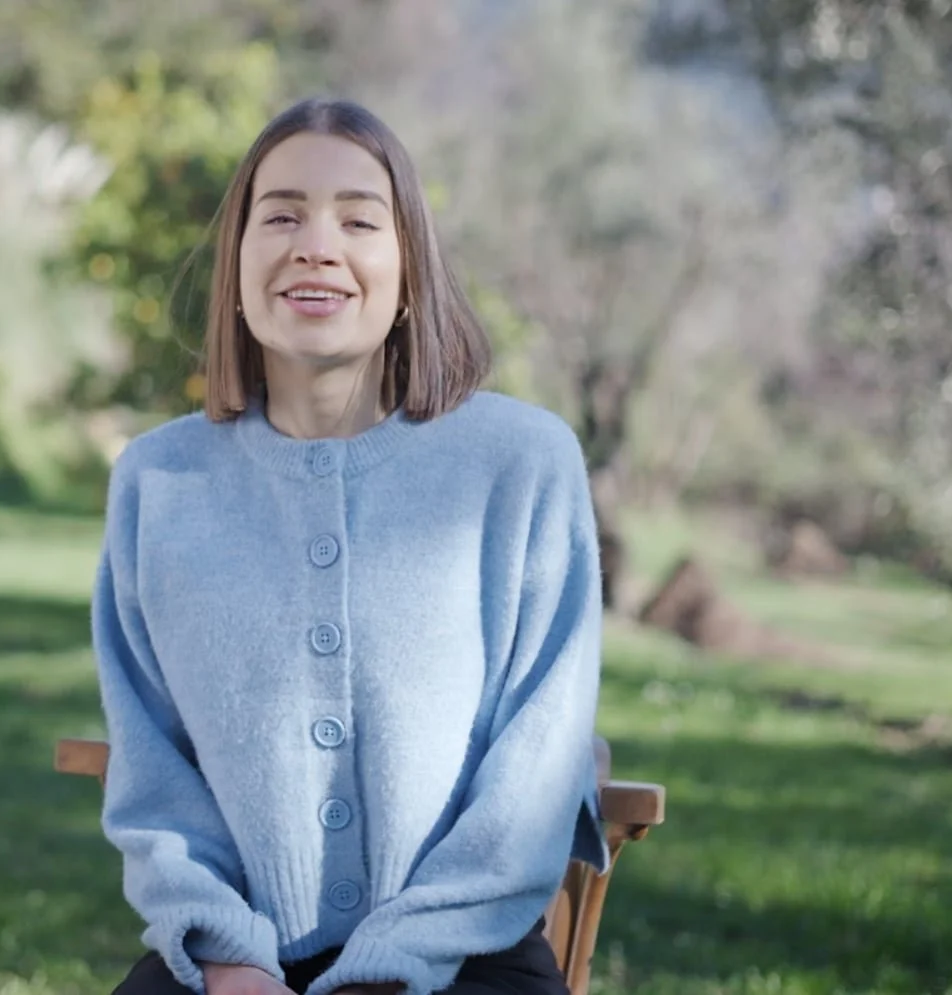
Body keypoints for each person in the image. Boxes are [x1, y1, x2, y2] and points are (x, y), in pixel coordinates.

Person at [92, 96, 609, 995]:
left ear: (409, 273)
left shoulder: (524, 463)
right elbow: (151, 770)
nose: (315, 246)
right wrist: (227, 955)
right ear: (237, 263)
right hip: (227, 960)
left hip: (464, 957)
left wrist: (392, 967)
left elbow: (538, 763)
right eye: (281, 216)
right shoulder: (157, 481)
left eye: (359, 221)